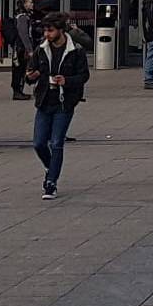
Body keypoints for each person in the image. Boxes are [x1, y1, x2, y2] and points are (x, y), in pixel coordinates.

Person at [26, 14, 89, 199]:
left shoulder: (75, 50)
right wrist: (31, 76)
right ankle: (51, 166)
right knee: (38, 143)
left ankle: (51, 183)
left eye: (50, 30)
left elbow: (84, 76)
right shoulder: (41, 49)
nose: (47, 34)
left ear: (61, 30)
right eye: (45, 30)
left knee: (56, 143)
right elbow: (31, 72)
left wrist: (66, 80)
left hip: (64, 102)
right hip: (44, 100)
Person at [3, 0, 40, 100]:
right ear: (24, 4)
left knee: (22, 69)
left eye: (32, 2)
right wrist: (30, 50)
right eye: (29, 2)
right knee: (19, 69)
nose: (32, 4)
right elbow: (24, 35)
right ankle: (17, 92)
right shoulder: (22, 17)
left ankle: (20, 91)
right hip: (20, 49)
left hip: (21, 48)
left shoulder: (26, 16)